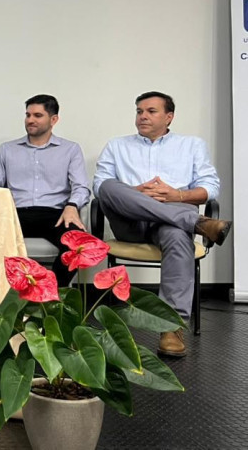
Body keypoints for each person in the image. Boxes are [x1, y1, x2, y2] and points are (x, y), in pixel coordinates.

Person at [93, 91, 232, 358]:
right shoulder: (117, 145)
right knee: (110, 186)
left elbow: (211, 188)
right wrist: (136, 193)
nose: (142, 116)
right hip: (130, 222)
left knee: (178, 238)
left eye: (150, 111)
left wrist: (177, 195)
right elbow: (100, 186)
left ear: (169, 116)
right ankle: (199, 223)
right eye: (139, 111)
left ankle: (171, 327)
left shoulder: (192, 145)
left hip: (171, 220)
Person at [0, 94, 90, 287]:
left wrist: (72, 205)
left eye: (38, 115)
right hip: (15, 214)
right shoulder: (7, 149)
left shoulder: (70, 149)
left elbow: (81, 187)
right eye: (28, 115)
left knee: (80, 247)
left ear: (53, 119)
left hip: (54, 214)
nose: (30, 120)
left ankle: (49, 293)